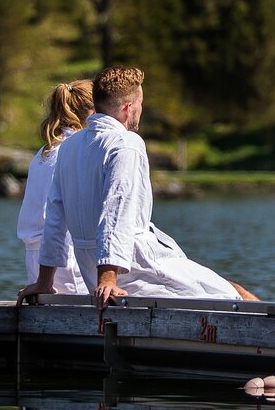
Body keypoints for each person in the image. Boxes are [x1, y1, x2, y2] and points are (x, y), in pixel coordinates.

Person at [20, 66, 259, 307]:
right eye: (141, 103)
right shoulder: (125, 144)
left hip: (94, 268)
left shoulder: (69, 147)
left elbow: (54, 216)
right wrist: (108, 278)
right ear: (128, 107)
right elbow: (116, 210)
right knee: (233, 294)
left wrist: (44, 281)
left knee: (223, 288)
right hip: (135, 265)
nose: (141, 110)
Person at [15, 80, 92, 295]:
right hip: (64, 259)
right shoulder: (76, 150)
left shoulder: (44, 152)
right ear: (93, 112)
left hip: (37, 258)